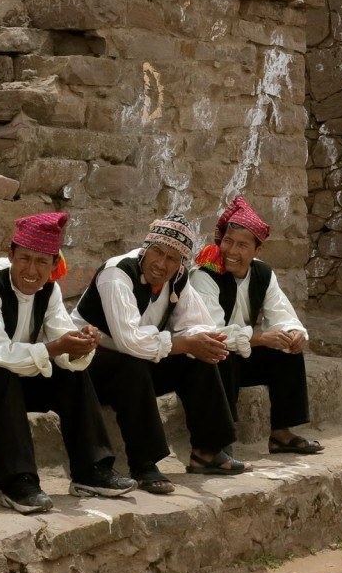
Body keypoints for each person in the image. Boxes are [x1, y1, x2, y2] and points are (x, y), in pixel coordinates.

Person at [0, 211, 136, 514]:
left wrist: (79, 345)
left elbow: (61, 336)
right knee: (2, 377)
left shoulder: (49, 289)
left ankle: (92, 471)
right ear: (11, 255)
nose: (32, 270)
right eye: (24, 259)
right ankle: (18, 482)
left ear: (53, 264)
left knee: (71, 375)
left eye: (42, 262)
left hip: (14, 369)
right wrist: (55, 348)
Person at [71, 213, 249, 496]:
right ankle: (144, 465)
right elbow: (129, 341)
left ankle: (208, 450)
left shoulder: (178, 278)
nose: (161, 264)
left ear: (181, 264)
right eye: (157, 252)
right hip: (93, 363)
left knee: (200, 356)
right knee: (134, 365)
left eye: (172, 259)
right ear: (146, 248)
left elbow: (197, 322)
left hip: (140, 356)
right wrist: (185, 343)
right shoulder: (117, 274)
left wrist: (202, 341)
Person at [190, 196, 322, 455]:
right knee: (221, 355)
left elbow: (282, 314)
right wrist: (260, 339)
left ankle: (281, 435)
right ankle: (218, 443)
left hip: (243, 352)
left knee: (287, 351)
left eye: (242, 245)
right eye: (228, 241)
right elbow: (211, 332)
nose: (231, 251)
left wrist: (294, 334)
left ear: (257, 251)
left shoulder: (263, 273)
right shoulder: (205, 275)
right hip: (207, 358)